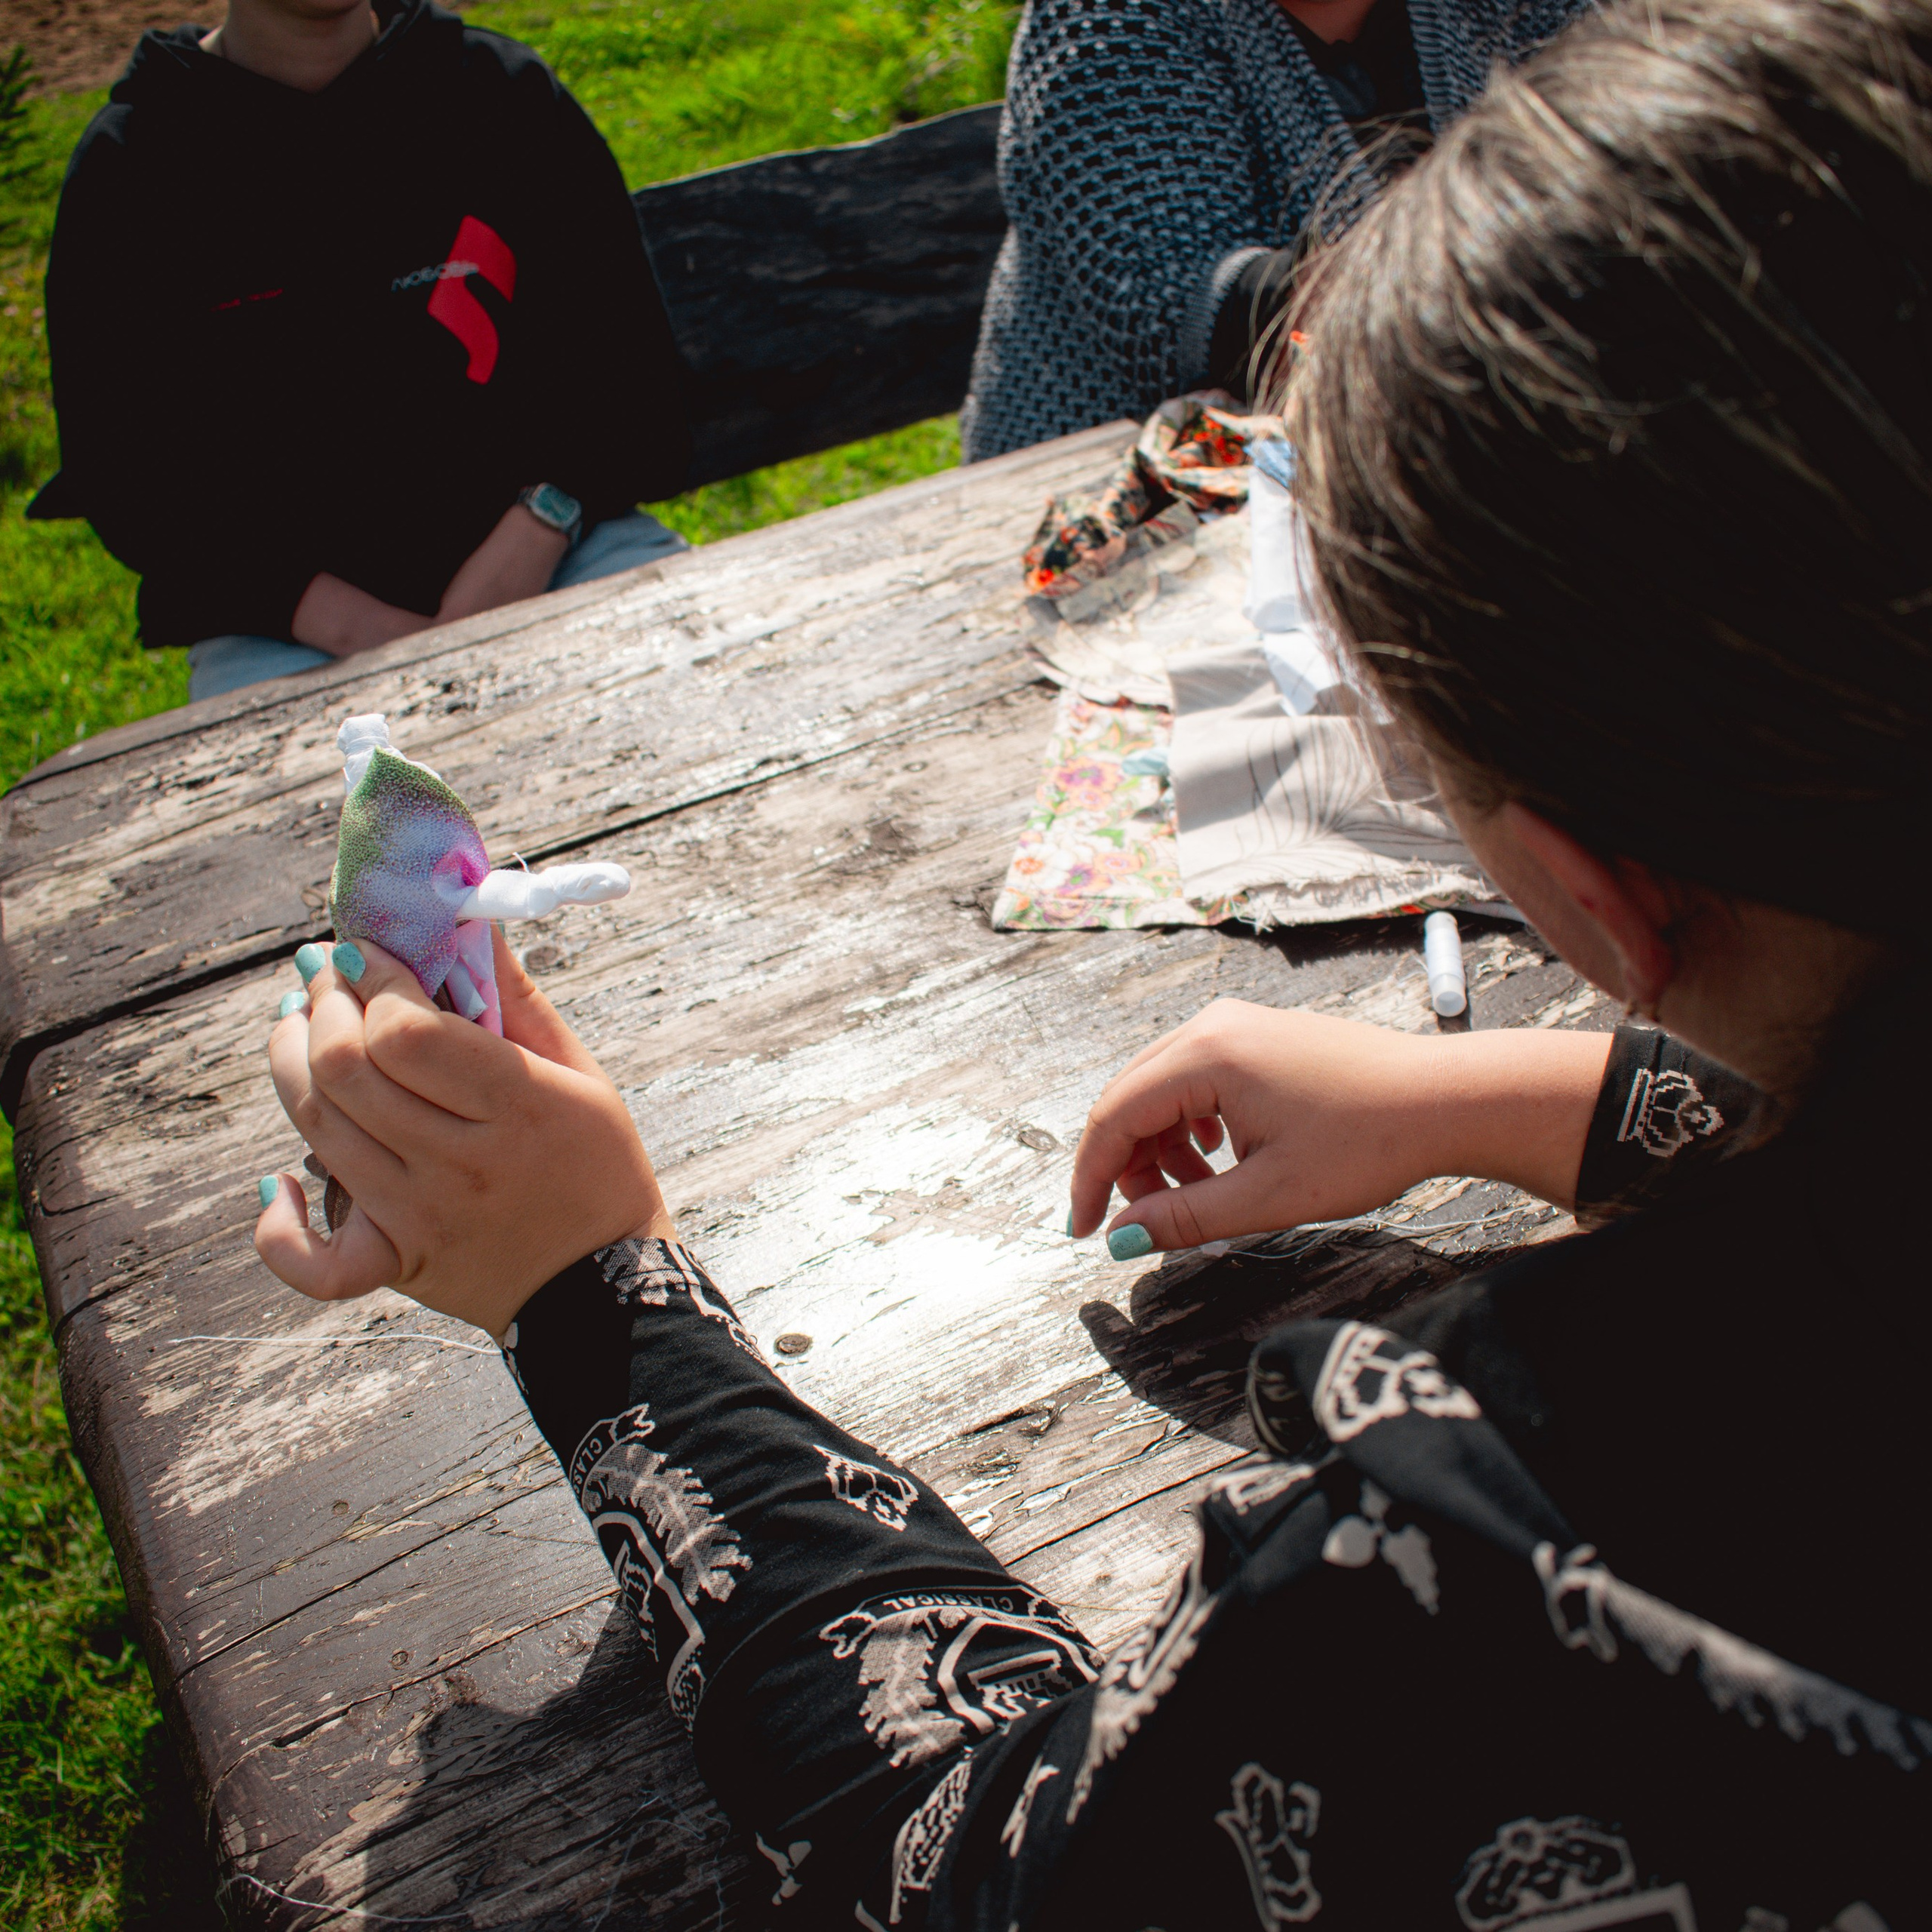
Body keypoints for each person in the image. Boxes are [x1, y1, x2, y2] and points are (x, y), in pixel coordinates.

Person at [254, 0, 1930, 1921]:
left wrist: (587, 1289)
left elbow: (975, 1855)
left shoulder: (1517, 1563)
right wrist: (1514, 1092)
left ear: (1586, 888)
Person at [29, 0, 692, 703]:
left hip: (570, 551)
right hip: (285, 636)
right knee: (325, 783)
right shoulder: (133, 164)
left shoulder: (499, 92)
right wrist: (364, 631)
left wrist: (541, 526)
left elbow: (627, 370)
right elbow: (133, 481)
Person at [958, 0, 1594, 460]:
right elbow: (1173, 313)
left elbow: (1613, 151)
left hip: (1458, 446)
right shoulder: (1104, 19)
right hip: (1130, 501)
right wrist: (1496, 261)